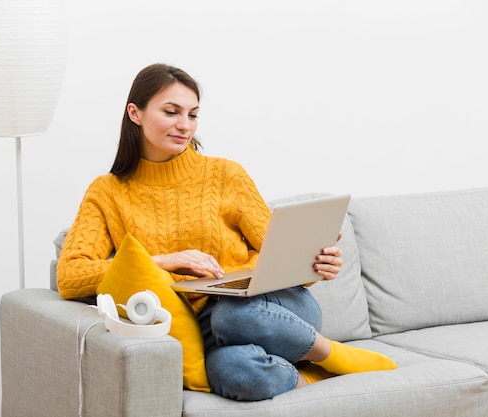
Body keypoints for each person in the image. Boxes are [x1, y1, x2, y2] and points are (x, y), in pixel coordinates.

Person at [57, 63, 396, 401]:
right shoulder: (107, 192)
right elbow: (71, 276)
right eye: (172, 112)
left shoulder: (225, 175)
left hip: (268, 306)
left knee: (231, 315)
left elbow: (280, 253)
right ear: (135, 113)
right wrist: (165, 260)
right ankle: (309, 374)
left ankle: (333, 355)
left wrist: (317, 262)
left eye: (193, 115)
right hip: (204, 327)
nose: (184, 125)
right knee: (234, 372)